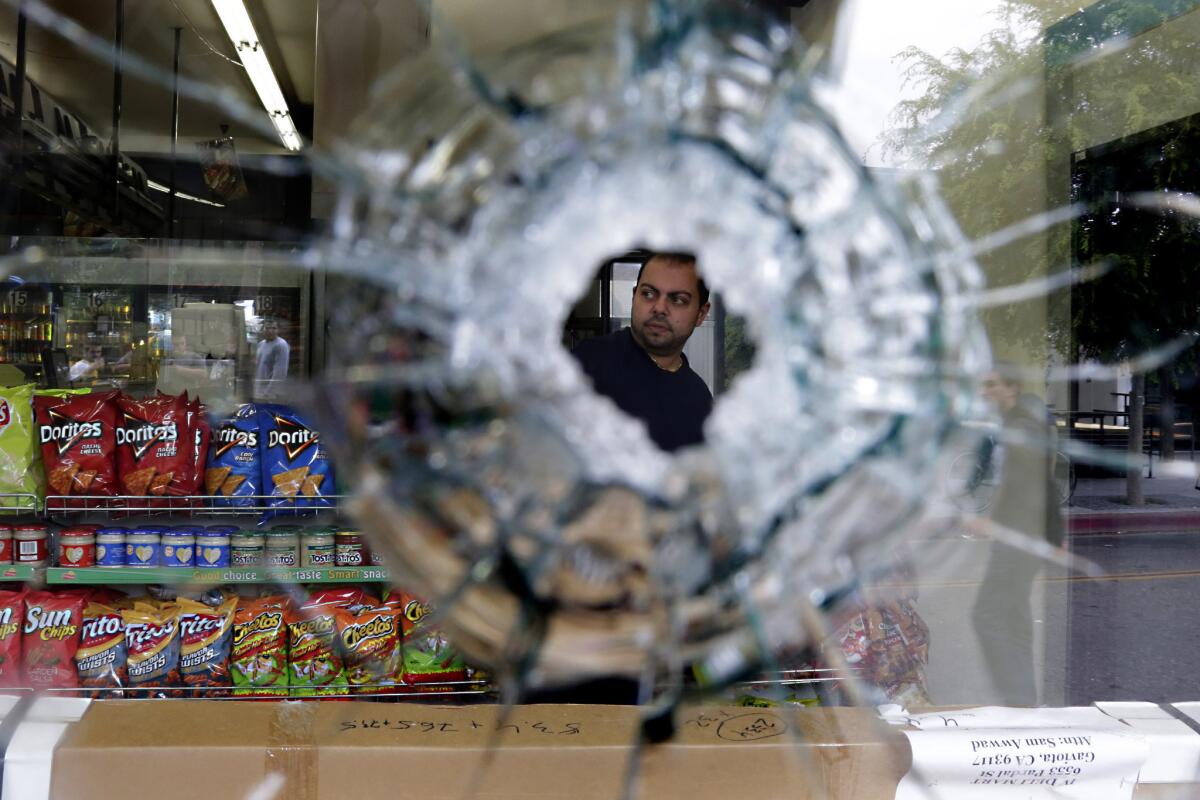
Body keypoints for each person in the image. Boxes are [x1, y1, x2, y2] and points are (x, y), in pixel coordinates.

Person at [971, 369, 1065, 706]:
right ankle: (1024, 699)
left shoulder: (1022, 425)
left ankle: (1017, 699)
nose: (986, 390)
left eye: (992, 384)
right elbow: (1010, 478)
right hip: (1023, 531)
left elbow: (1035, 480)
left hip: (1021, 533)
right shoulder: (1017, 421)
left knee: (988, 614)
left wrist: (997, 521)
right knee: (1013, 612)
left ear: (1011, 387)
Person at [571, 252, 713, 452]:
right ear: (634, 296)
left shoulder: (699, 399)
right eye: (648, 294)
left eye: (678, 300)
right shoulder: (587, 363)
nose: (659, 308)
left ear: (701, 314)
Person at [255, 319, 290, 399]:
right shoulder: (261, 344)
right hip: (259, 391)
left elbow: (280, 373)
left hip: (270, 394)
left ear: (278, 330)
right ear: (263, 329)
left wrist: (268, 393)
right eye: (267, 328)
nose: (270, 331)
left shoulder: (281, 345)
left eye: (274, 328)